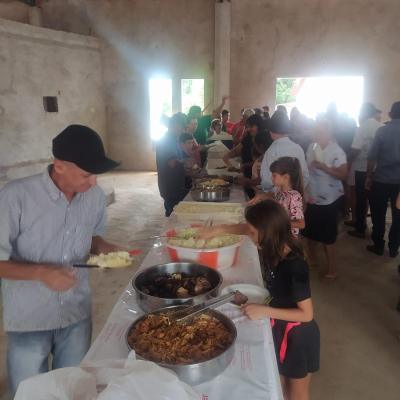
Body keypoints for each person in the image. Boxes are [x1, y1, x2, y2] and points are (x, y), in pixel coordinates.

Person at [0, 125, 122, 396]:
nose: (93, 183)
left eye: (96, 175)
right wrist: (41, 272)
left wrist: (103, 247)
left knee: (73, 388)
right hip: (30, 318)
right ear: (59, 165)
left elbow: (91, 237)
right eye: (87, 174)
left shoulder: (95, 197)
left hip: (76, 313)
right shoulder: (16, 197)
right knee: (31, 392)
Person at [198, 200, 320, 400]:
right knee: (279, 385)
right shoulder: (274, 241)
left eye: (253, 233)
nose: (249, 235)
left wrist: (265, 311)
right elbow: (245, 228)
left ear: (268, 231)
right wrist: (217, 230)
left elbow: (307, 314)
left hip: (299, 336)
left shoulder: (294, 265)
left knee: (296, 394)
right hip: (281, 326)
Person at [302, 116, 347, 279]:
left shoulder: (336, 151)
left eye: (320, 131)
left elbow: (343, 174)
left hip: (330, 199)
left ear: (328, 133)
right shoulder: (311, 146)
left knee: (328, 237)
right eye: (315, 131)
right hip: (312, 197)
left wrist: (324, 167)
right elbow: (306, 170)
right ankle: (313, 261)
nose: (316, 134)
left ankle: (332, 268)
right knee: (308, 233)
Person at [365, 101, 400, 257]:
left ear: (390, 114)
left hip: (381, 179)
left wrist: (368, 176)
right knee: (398, 216)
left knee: (378, 214)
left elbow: (372, 157)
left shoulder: (382, 131)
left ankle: (378, 244)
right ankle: (394, 247)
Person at [347, 103, 382, 238]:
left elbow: (355, 149)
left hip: (362, 168)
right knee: (374, 201)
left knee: (361, 199)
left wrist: (346, 160)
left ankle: (360, 228)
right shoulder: (380, 126)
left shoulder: (363, 127)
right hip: (376, 170)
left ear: (363, 113)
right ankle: (376, 231)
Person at [249, 157, 305, 238]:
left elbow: (301, 224)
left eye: (274, 175)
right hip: (277, 235)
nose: (271, 178)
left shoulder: (294, 196)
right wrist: (261, 196)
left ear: (286, 177)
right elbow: (273, 195)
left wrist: (276, 222)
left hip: (288, 240)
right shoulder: (280, 191)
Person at [260, 111, 309, 192]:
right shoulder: (298, 148)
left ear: (270, 131)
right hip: (295, 198)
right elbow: (305, 176)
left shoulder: (271, 151)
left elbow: (266, 181)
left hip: (277, 199)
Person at [223, 114, 267, 198]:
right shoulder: (248, 137)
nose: (249, 129)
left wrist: (248, 180)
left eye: (251, 126)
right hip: (250, 178)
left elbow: (260, 163)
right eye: (247, 126)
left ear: (259, 125)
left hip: (257, 183)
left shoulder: (264, 140)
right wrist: (227, 156)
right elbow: (237, 150)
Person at [156, 112, 188, 217]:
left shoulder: (174, 139)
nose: (182, 130)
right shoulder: (165, 141)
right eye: (181, 127)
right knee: (172, 216)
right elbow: (172, 163)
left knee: (176, 213)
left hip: (176, 184)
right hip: (170, 186)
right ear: (174, 125)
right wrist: (186, 162)